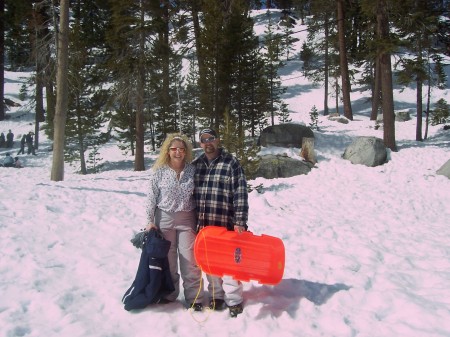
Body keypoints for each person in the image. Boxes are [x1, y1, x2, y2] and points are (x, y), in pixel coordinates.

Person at [193, 128, 249, 318]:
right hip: (204, 225)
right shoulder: (196, 164)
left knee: (230, 266)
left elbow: (240, 192)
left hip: (226, 224)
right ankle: (216, 296)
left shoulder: (230, 163)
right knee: (210, 264)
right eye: (203, 140)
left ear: (218, 140)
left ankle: (234, 300)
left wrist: (240, 220)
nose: (208, 142)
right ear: (200, 143)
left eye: (211, 139)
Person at [144, 133, 204, 311]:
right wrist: (149, 220)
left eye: (181, 149)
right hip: (164, 218)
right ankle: (169, 295)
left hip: (186, 218)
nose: (178, 152)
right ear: (168, 151)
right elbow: (151, 197)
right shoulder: (160, 171)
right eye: (174, 149)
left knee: (190, 260)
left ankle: (194, 298)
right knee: (169, 261)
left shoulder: (192, 170)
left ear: (186, 151)